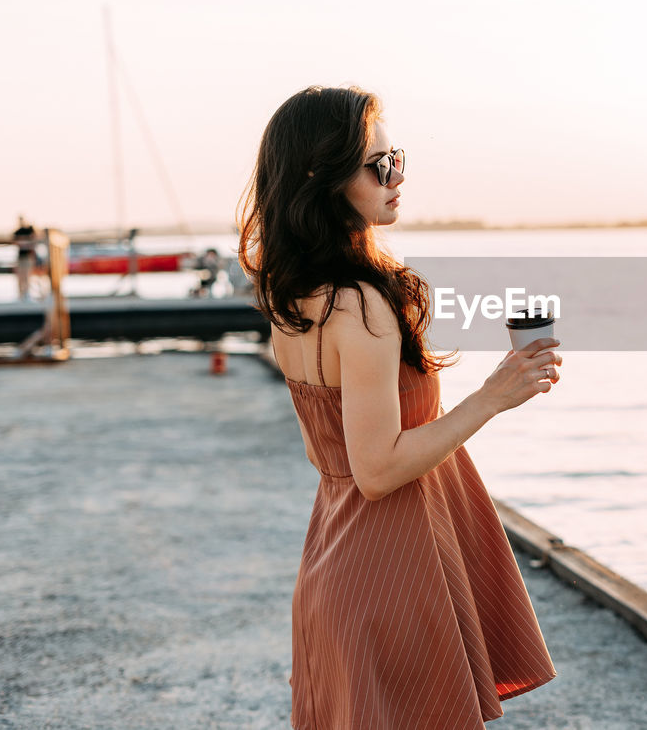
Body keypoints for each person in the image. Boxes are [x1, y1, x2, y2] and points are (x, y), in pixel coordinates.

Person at [237, 85, 561, 728]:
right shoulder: (360, 304)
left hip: (336, 565)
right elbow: (378, 471)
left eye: (398, 159)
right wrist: (494, 396)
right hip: (392, 573)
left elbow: (324, 452)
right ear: (321, 177)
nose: (397, 178)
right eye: (378, 165)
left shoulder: (295, 299)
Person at [12, 215, 36, 300]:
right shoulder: (17, 231)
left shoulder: (28, 230)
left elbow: (34, 238)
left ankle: (26, 294)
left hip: (28, 257)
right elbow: (15, 241)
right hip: (20, 257)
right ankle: (20, 294)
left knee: (26, 275)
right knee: (20, 276)